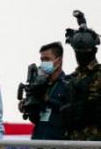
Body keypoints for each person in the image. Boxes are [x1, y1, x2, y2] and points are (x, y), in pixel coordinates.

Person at [61, 10, 101, 141]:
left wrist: (90, 110)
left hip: (95, 142)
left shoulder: (98, 75)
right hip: (74, 142)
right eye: (78, 53)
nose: (81, 56)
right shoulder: (73, 77)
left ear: (94, 51)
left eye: (84, 53)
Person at [19, 42, 69, 140]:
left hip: (58, 144)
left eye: (47, 59)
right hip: (38, 140)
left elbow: (68, 113)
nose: (43, 63)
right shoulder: (39, 85)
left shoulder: (68, 84)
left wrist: (47, 99)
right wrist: (27, 107)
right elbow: (35, 119)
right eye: (42, 60)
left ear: (58, 61)